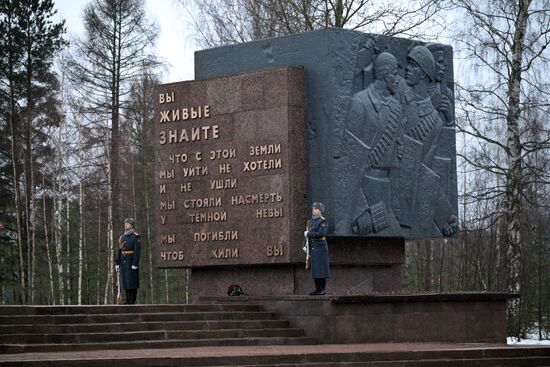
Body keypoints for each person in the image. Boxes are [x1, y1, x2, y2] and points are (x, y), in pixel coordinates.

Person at [304, 202, 330, 295]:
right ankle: (317, 289)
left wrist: (309, 234)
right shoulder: (310, 221)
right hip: (313, 248)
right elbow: (307, 235)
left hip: (321, 248)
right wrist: (305, 245)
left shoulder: (323, 221)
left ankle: (322, 289)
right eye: (313, 208)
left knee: (321, 269)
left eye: (315, 208)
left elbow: (320, 234)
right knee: (315, 269)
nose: (313, 210)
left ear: (320, 210)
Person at [115, 218, 142, 304]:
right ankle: (127, 300)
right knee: (126, 282)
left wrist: (135, 263)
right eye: (125, 223)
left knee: (132, 282)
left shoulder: (135, 236)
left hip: (131, 262)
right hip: (124, 262)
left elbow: (137, 251)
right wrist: (117, 263)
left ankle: (132, 300)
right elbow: (119, 250)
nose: (125, 225)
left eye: (127, 223)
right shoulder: (122, 237)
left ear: (131, 225)